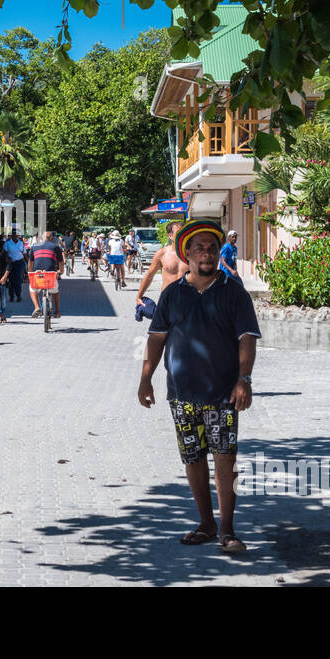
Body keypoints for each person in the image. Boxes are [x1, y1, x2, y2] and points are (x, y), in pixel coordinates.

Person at [137, 220, 259, 554]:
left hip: (222, 394)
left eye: (211, 248)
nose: (206, 254)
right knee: (193, 458)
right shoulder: (173, 294)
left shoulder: (233, 291)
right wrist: (145, 378)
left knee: (224, 459)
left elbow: (246, 338)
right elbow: (157, 337)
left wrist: (244, 380)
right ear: (187, 253)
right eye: (200, 248)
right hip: (182, 394)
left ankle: (228, 530)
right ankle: (206, 523)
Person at [135, 220, 190, 313]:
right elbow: (149, 275)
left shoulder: (193, 254)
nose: (183, 235)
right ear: (170, 236)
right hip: (167, 301)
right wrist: (139, 297)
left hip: (189, 302)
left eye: (184, 232)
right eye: (179, 233)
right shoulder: (162, 254)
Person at [28, 230, 65, 318]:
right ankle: (57, 312)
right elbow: (61, 261)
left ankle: (37, 307)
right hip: (50, 274)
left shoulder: (34, 246)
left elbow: (30, 262)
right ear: (51, 238)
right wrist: (60, 271)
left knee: (32, 289)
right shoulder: (56, 247)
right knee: (55, 292)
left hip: (38, 274)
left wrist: (29, 273)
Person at [4, 230, 27, 303]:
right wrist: (8, 257)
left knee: (18, 280)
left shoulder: (21, 243)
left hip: (19, 263)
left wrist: (29, 262)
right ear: (11, 235)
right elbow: (4, 253)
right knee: (11, 280)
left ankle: (18, 295)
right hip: (11, 264)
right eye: (13, 235)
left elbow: (24, 253)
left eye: (16, 235)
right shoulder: (7, 243)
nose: (15, 236)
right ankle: (11, 296)